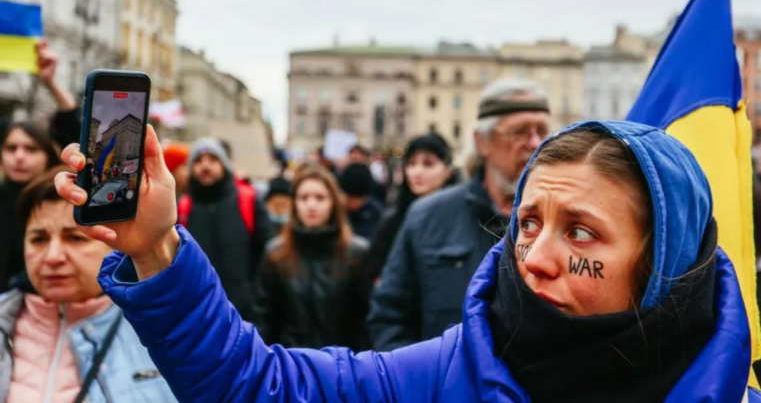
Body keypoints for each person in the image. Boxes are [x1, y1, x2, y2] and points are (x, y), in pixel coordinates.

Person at [54, 120, 760, 402]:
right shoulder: (445, 373)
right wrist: (154, 247)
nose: (535, 258)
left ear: (663, 264)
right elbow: (256, 385)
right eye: (528, 222)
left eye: (580, 234)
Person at [368, 79, 551, 350]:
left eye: (542, 131)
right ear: (482, 142)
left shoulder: (564, 222)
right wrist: (422, 384)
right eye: (520, 131)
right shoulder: (427, 217)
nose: (535, 142)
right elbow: (388, 316)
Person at [0, 166, 176, 402]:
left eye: (74, 238)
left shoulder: (159, 334)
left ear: (114, 244)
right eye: (38, 239)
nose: (53, 256)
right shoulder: (5, 321)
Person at [252, 165, 369, 350]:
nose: (311, 205)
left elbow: (366, 320)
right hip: (292, 365)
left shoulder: (356, 253)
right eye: (303, 198)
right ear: (295, 203)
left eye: (320, 197)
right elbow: (265, 320)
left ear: (333, 202)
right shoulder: (276, 254)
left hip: (343, 367)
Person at [0, 42, 81, 292]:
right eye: (11, 148)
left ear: (48, 156)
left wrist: (50, 83)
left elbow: (73, 126)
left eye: (31, 148)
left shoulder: (62, 201)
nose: (19, 156)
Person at [176, 137, 274, 321]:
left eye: (213, 159)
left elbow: (268, 250)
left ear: (224, 165)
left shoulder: (248, 199)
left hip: (245, 311)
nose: (205, 166)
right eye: (198, 161)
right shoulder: (183, 207)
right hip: (199, 310)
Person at [361, 133, 458, 298]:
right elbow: (371, 279)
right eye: (411, 164)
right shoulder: (392, 222)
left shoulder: (461, 219)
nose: (417, 172)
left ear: (447, 170)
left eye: (428, 164)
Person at [338, 163, 384, 239]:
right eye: (349, 198)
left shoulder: (377, 214)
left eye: (358, 199)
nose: (352, 203)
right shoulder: (336, 211)